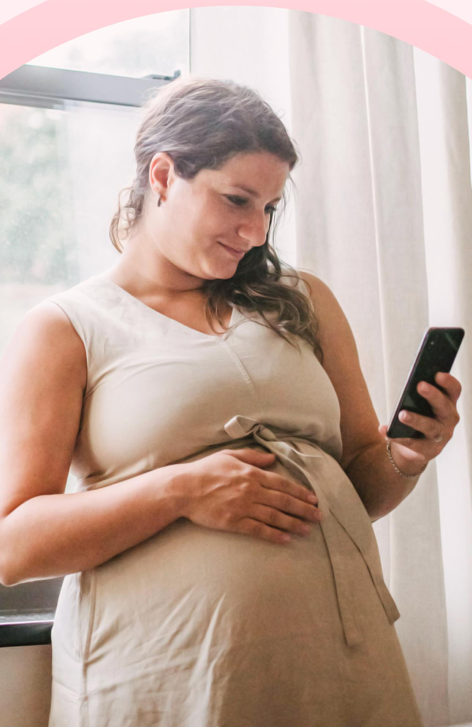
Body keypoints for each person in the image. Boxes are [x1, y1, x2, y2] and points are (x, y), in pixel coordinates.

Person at [0, 76, 461, 727]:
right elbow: (14, 545)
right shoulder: (66, 328)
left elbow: (361, 481)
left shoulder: (304, 301)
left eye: (270, 208)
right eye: (236, 200)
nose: (255, 231)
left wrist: (407, 457)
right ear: (162, 175)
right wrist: (180, 491)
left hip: (340, 661)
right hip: (167, 677)